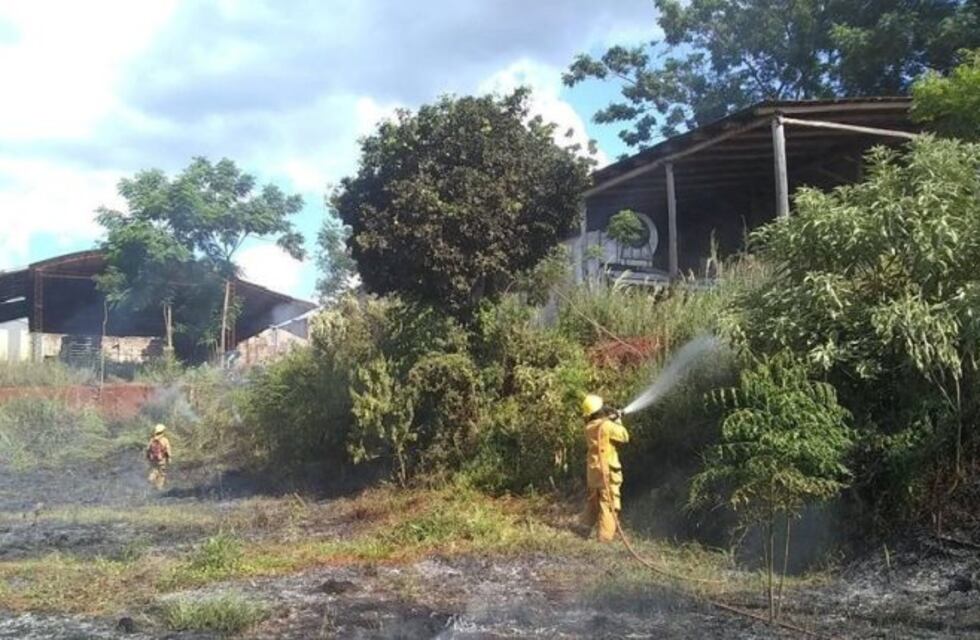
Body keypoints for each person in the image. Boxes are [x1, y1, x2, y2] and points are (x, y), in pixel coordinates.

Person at [580, 394, 629, 542]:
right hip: (607, 471)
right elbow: (624, 436)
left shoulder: (588, 427)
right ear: (600, 410)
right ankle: (604, 539)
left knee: (593, 502)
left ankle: (583, 529)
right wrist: (618, 419)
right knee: (609, 504)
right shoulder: (607, 426)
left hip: (594, 472)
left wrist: (610, 418)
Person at [146, 424, 172, 490]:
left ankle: (151, 478)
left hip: (153, 459)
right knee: (162, 473)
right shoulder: (165, 440)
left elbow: (148, 449)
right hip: (161, 459)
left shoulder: (152, 439)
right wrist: (169, 458)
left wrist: (148, 456)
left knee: (154, 470)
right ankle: (159, 487)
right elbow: (168, 450)